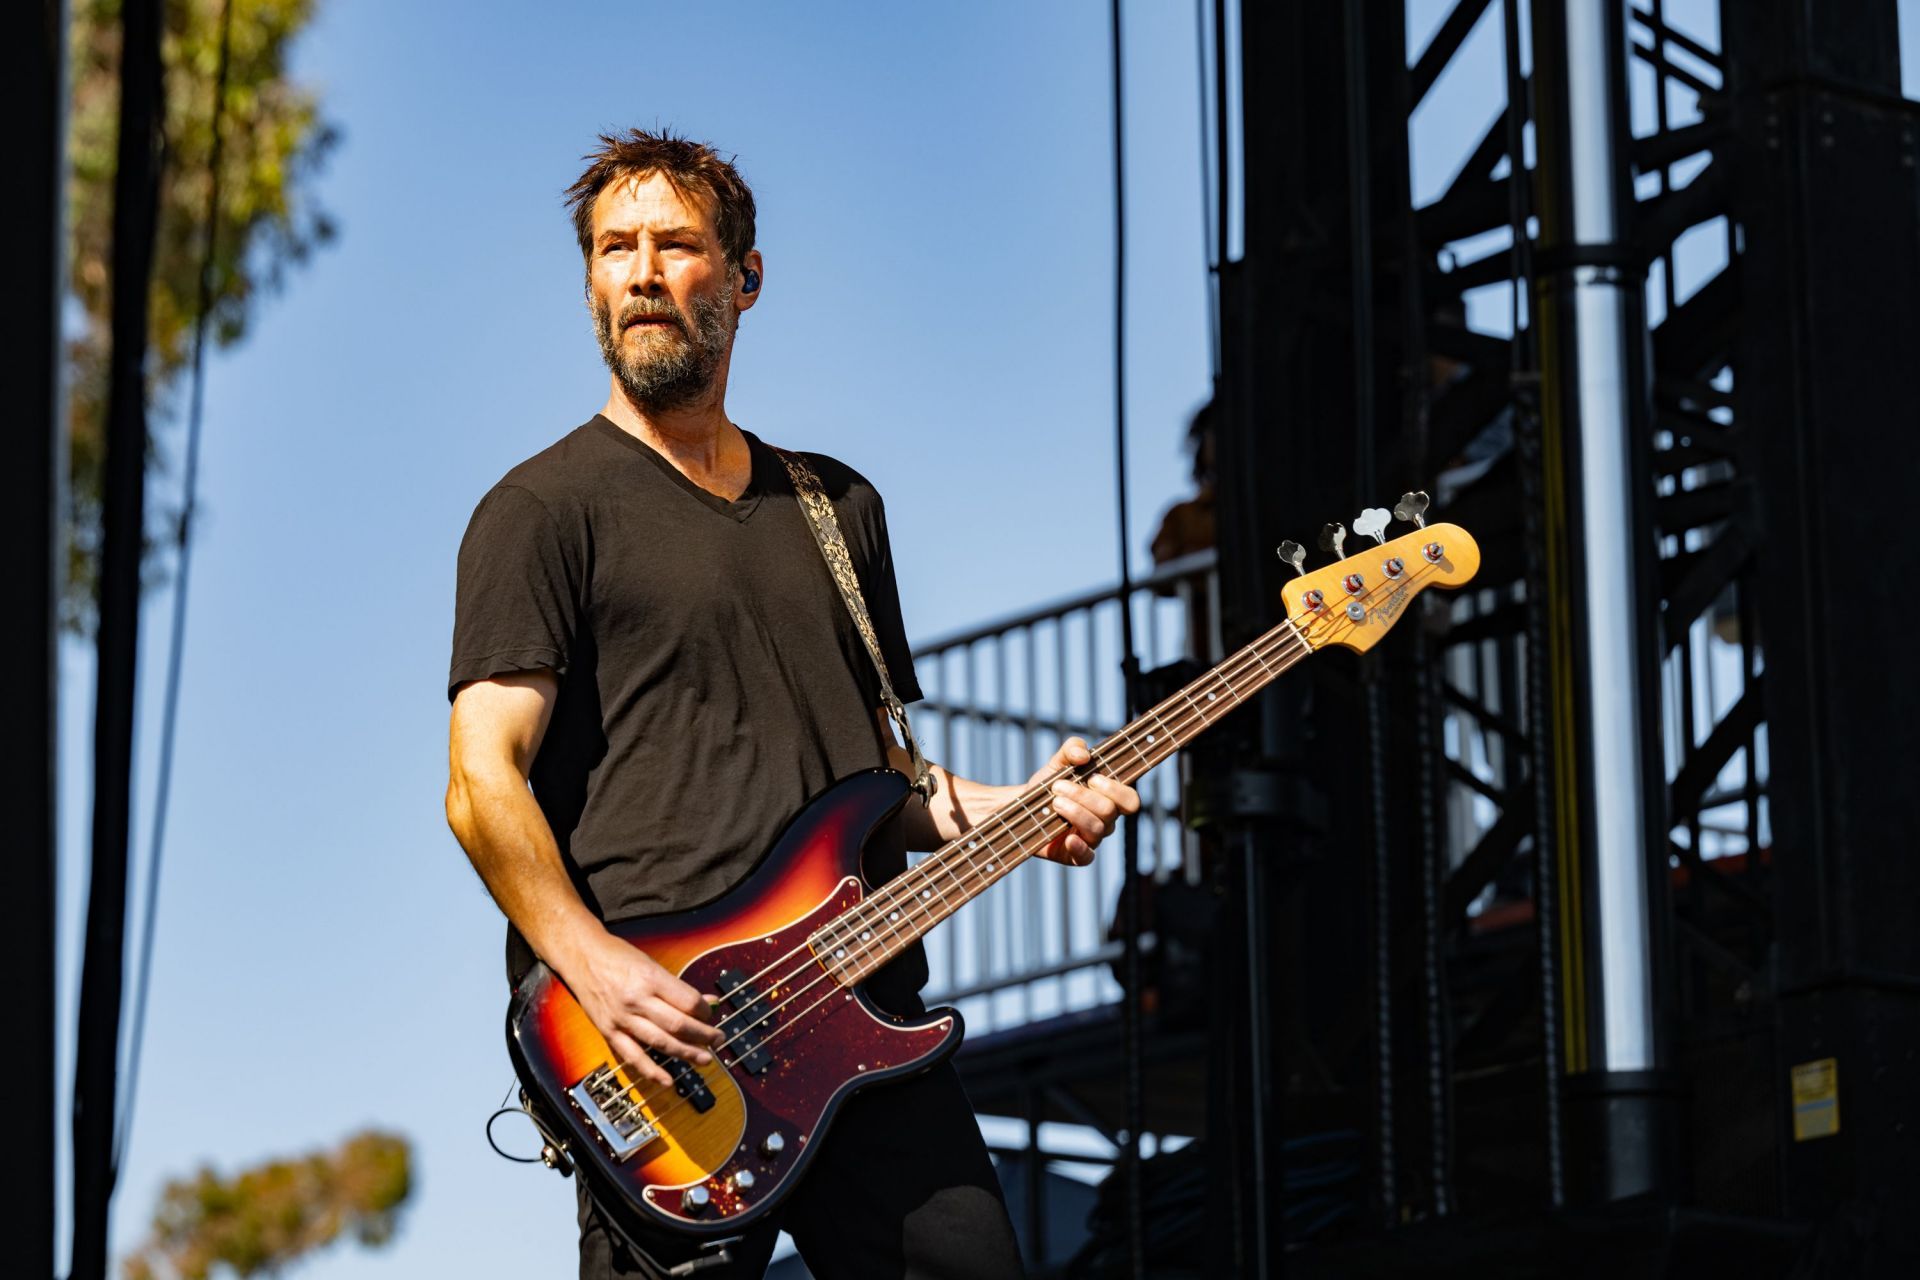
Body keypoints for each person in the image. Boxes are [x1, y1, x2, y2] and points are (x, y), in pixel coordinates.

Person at [443, 128, 1141, 1280]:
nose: (645, 273)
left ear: (746, 278)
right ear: (589, 285)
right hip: (669, 1040)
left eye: (676, 245)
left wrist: (1027, 805)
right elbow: (481, 781)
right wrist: (597, 969)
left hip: (866, 1007)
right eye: (617, 250)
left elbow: (883, 777)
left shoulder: (835, 505)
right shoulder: (538, 510)